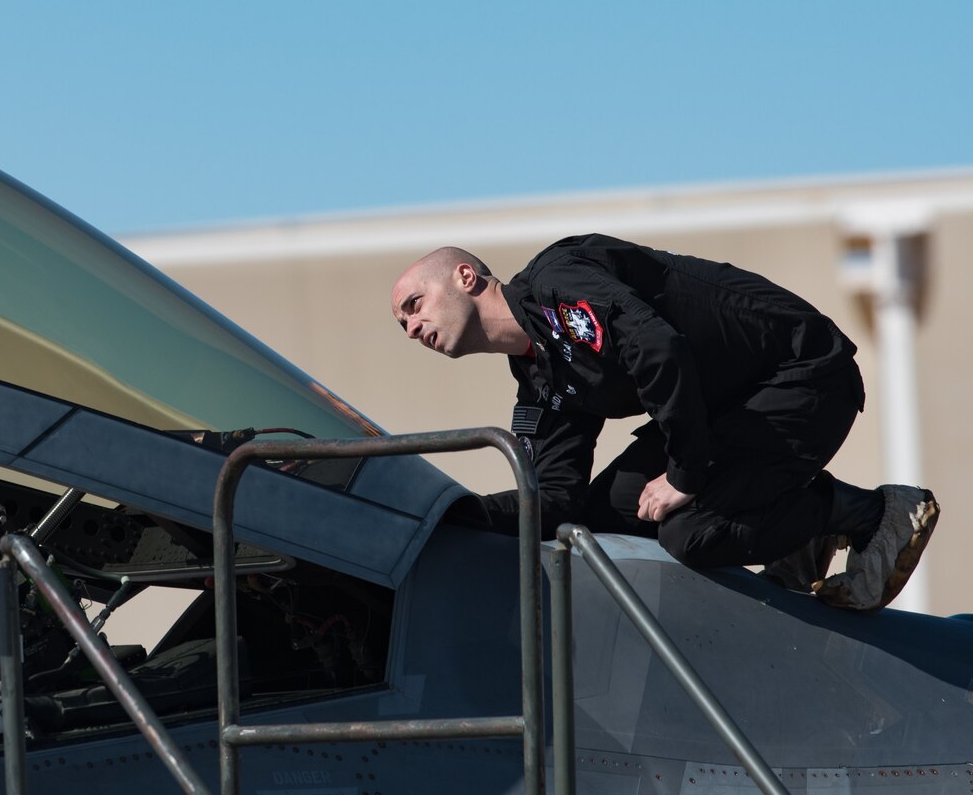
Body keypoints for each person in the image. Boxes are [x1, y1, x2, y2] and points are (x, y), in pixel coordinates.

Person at [388, 234, 938, 611]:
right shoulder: (539, 377)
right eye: (401, 323)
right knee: (603, 520)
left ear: (466, 277)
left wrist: (684, 476)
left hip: (802, 378)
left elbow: (659, 349)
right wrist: (453, 515)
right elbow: (556, 498)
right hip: (723, 409)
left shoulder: (558, 281)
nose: (411, 328)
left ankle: (868, 513)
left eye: (414, 304)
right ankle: (789, 523)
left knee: (686, 530)